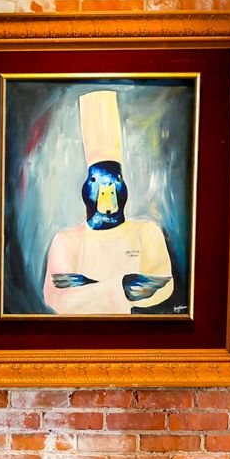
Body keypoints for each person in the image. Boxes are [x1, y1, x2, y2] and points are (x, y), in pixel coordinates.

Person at [42, 90, 176, 315]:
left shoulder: (148, 233)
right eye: (97, 182)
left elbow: (163, 287)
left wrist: (87, 285)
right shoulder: (65, 241)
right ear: (86, 186)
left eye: (115, 181)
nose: (108, 192)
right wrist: (123, 285)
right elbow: (58, 299)